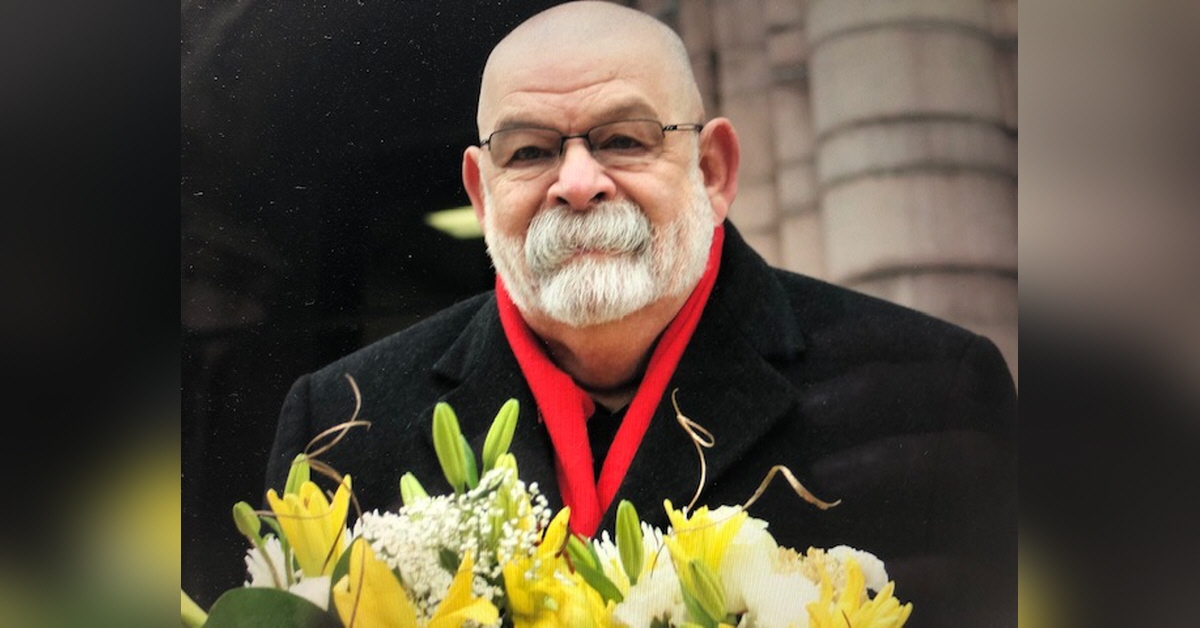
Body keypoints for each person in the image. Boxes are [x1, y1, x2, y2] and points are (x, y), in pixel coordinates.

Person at [265, 2, 1016, 625]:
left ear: (713, 169)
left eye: (624, 140)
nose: (578, 182)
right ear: (481, 191)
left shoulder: (930, 392)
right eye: (528, 152)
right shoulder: (341, 423)